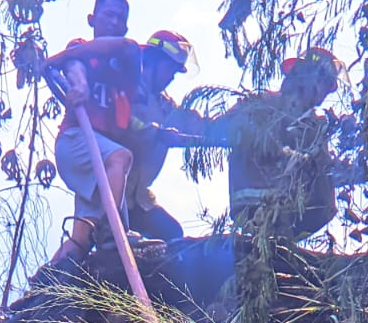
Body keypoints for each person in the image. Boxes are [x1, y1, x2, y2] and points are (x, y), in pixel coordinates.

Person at [44, 0, 141, 264]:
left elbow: (125, 47)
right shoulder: (80, 51)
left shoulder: (128, 59)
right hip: (78, 142)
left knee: (81, 241)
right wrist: (80, 85)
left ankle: (42, 287)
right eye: (108, 14)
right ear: (92, 19)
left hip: (102, 158)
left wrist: (59, 57)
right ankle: (112, 228)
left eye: (119, 18)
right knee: (122, 156)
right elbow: (75, 65)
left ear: (124, 27)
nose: (114, 21)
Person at [214, 47, 344, 242]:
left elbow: (319, 171)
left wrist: (347, 171)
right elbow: (223, 128)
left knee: (325, 193)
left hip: (287, 207)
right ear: (306, 78)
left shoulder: (313, 126)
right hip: (254, 200)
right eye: (323, 85)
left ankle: (283, 244)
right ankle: (277, 242)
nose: (323, 95)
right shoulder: (263, 103)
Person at [124, 29, 207, 242]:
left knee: (171, 234)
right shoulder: (126, 90)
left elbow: (191, 123)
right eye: (170, 70)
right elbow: (123, 124)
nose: (171, 77)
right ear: (153, 62)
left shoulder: (163, 104)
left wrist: (230, 127)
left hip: (139, 198)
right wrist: (157, 134)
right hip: (112, 196)